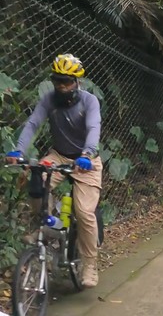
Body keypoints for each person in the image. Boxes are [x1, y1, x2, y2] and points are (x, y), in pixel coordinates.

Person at [4, 53, 103, 288]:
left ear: (78, 82)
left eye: (67, 81)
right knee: (36, 184)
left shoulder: (89, 101)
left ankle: (89, 264)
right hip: (58, 154)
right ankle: (48, 227)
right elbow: (33, 123)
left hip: (86, 161)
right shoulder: (49, 99)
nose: (62, 86)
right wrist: (18, 150)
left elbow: (93, 127)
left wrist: (87, 154)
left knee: (84, 212)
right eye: (58, 80)